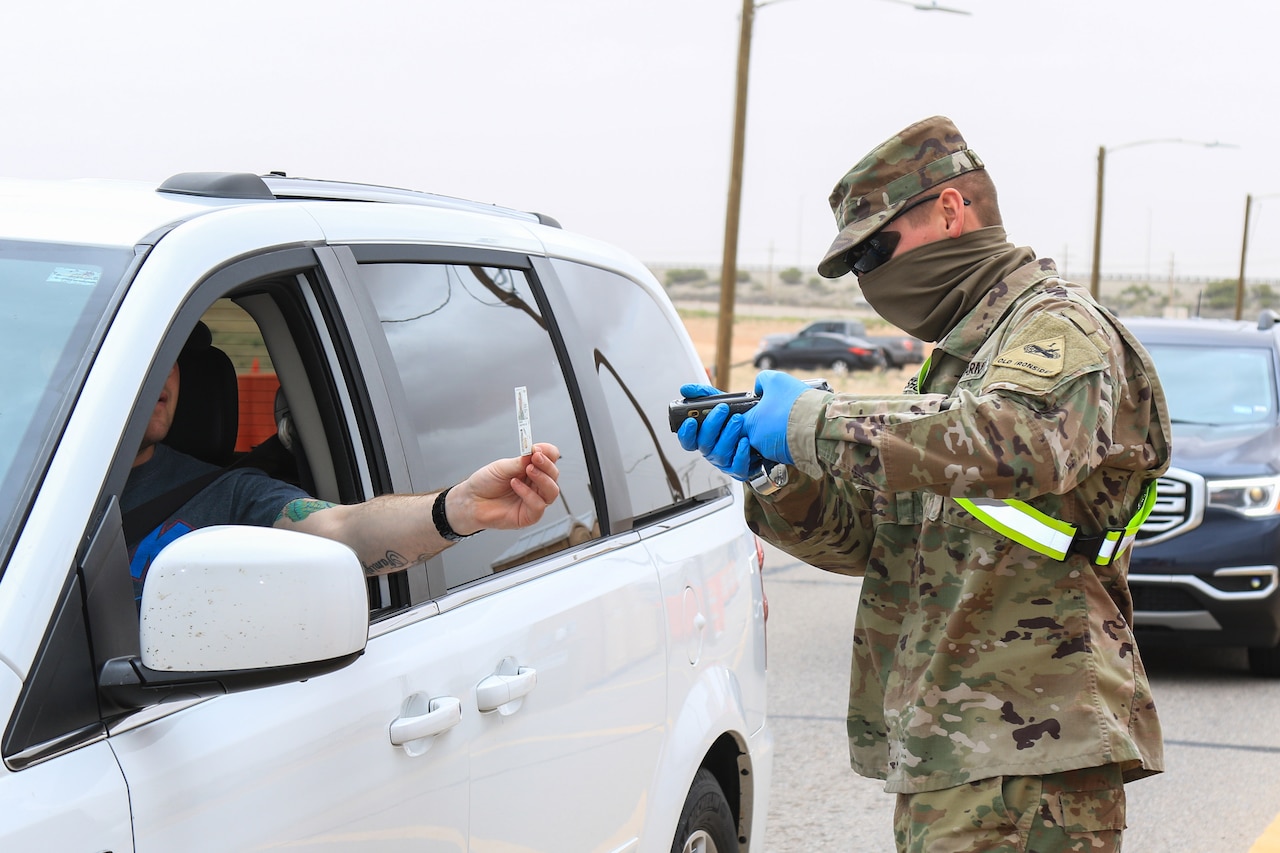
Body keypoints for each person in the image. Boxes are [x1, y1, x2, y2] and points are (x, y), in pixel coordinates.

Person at [678, 116, 1170, 852]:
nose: (870, 278)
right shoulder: (962, 360)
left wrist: (815, 420)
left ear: (949, 209)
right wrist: (780, 475)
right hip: (957, 754)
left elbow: (1020, 442)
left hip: (1029, 755)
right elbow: (879, 542)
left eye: (876, 249)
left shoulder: (1057, 327)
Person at [125, 352, 561, 597]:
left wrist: (461, 507)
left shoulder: (230, 495)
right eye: (145, 353)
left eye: (173, 356)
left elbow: (343, 529)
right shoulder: (55, 490)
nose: (162, 373)